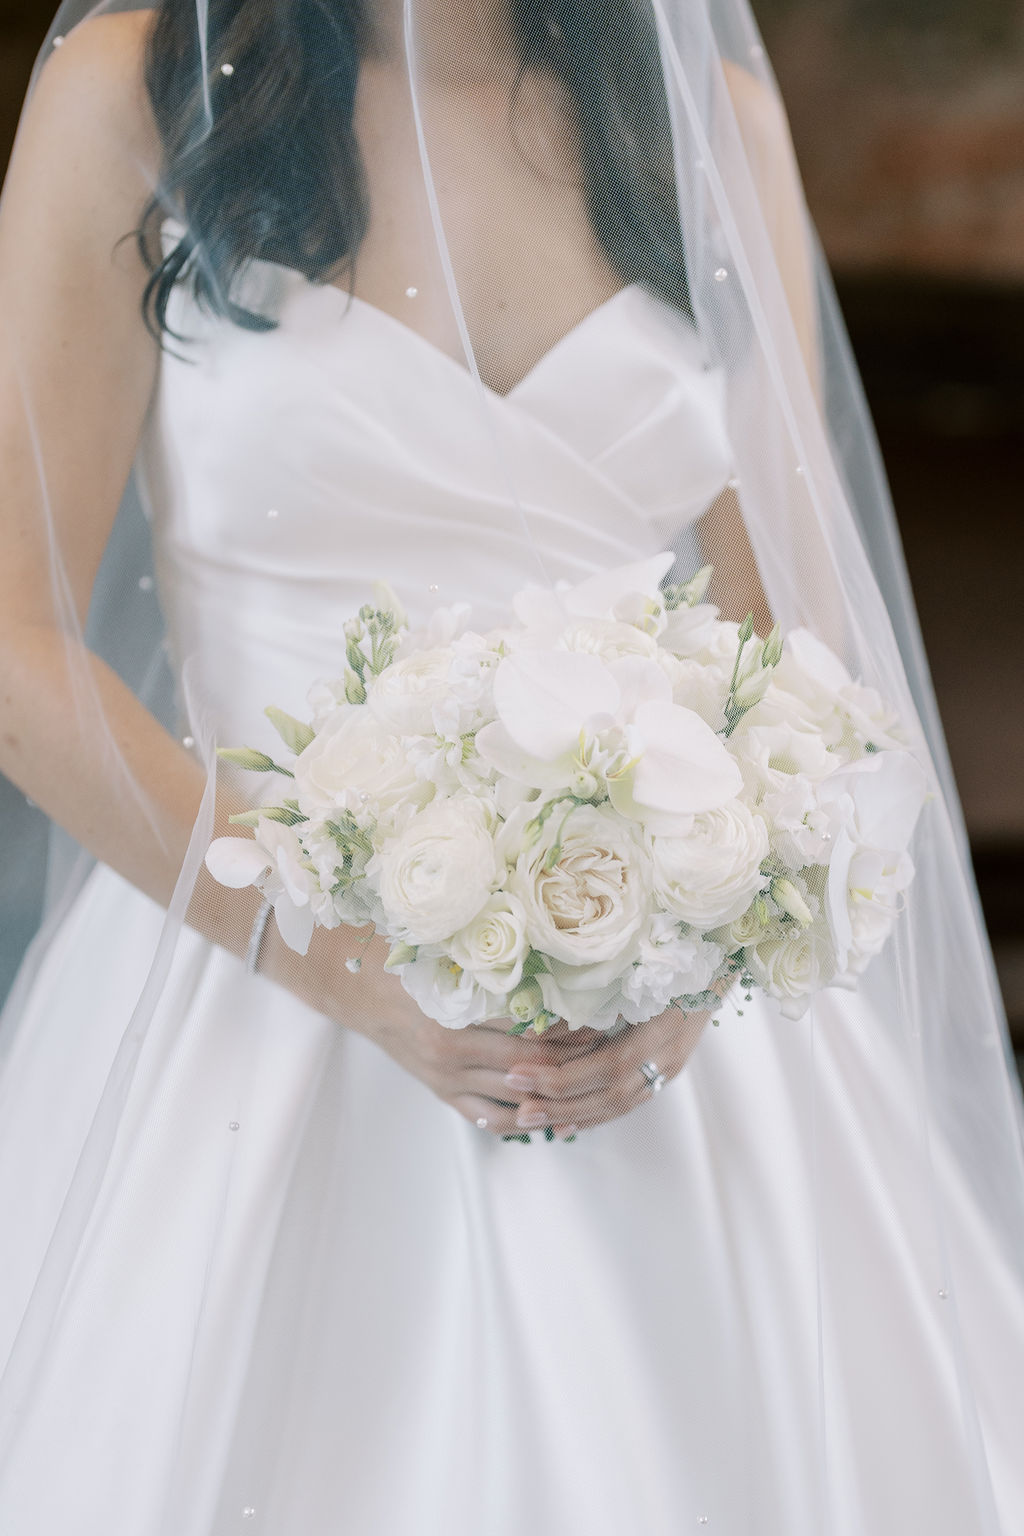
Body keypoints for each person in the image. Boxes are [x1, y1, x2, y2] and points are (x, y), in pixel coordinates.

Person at [0, 1, 1021, 1531]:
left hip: (666, 1031)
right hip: (245, 980)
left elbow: (792, 645)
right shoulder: (133, 98)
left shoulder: (705, 127)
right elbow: (16, 650)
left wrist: (692, 975)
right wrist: (335, 958)